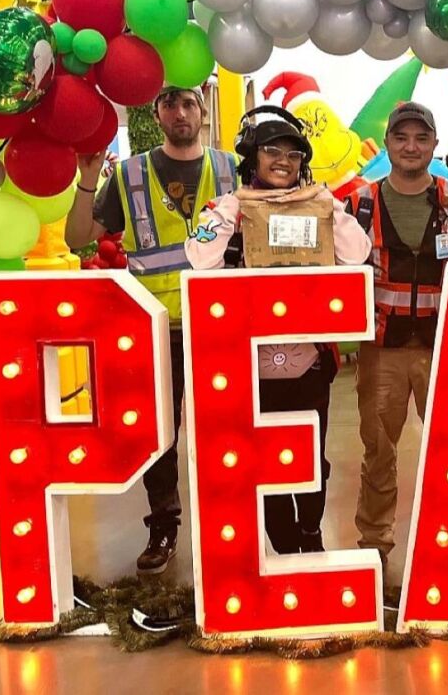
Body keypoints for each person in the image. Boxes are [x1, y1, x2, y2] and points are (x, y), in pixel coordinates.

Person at [66, 85, 239, 575]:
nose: (179, 112)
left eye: (187, 103)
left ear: (203, 108)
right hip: (156, 328)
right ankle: (163, 526)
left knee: (224, 432)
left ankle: (229, 523)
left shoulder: (232, 169)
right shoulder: (129, 174)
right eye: (168, 103)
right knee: (161, 439)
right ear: (155, 112)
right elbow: (79, 239)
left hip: (219, 325)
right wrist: (85, 181)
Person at [185, 106, 371, 554]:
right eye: (272, 150)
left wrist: (327, 209)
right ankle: (283, 543)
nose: (282, 160)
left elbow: (357, 254)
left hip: (308, 361)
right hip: (251, 366)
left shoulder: (321, 203)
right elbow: (199, 257)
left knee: (313, 458)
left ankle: (311, 533)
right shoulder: (227, 208)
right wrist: (236, 211)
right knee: (260, 458)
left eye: (292, 152)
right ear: (253, 156)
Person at [342, 102, 448, 571]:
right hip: (383, 348)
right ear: (388, 145)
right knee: (379, 448)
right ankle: (375, 543)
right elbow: (342, 271)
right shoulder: (359, 203)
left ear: (434, 145)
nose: (411, 147)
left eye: (421, 138)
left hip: (447, 347)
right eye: (402, 138)